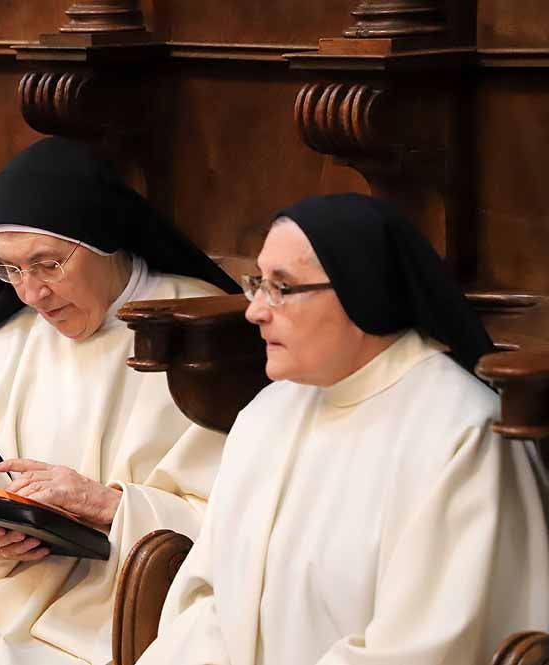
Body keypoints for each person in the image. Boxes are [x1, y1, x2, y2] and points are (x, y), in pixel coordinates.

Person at [0, 137, 241, 665]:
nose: (31, 294)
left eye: (48, 264)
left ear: (104, 239)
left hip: (118, 608)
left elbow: (242, 520)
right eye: (10, 270)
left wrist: (107, 506)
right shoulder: (3, 345)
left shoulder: (203, 334)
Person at [137, 193, 549, 665]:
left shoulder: (462, 438)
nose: (255, 311)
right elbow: (209, 604)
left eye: (282, 287)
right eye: (257, 284)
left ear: (361, 289)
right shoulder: (266, 415)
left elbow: (421, 651)